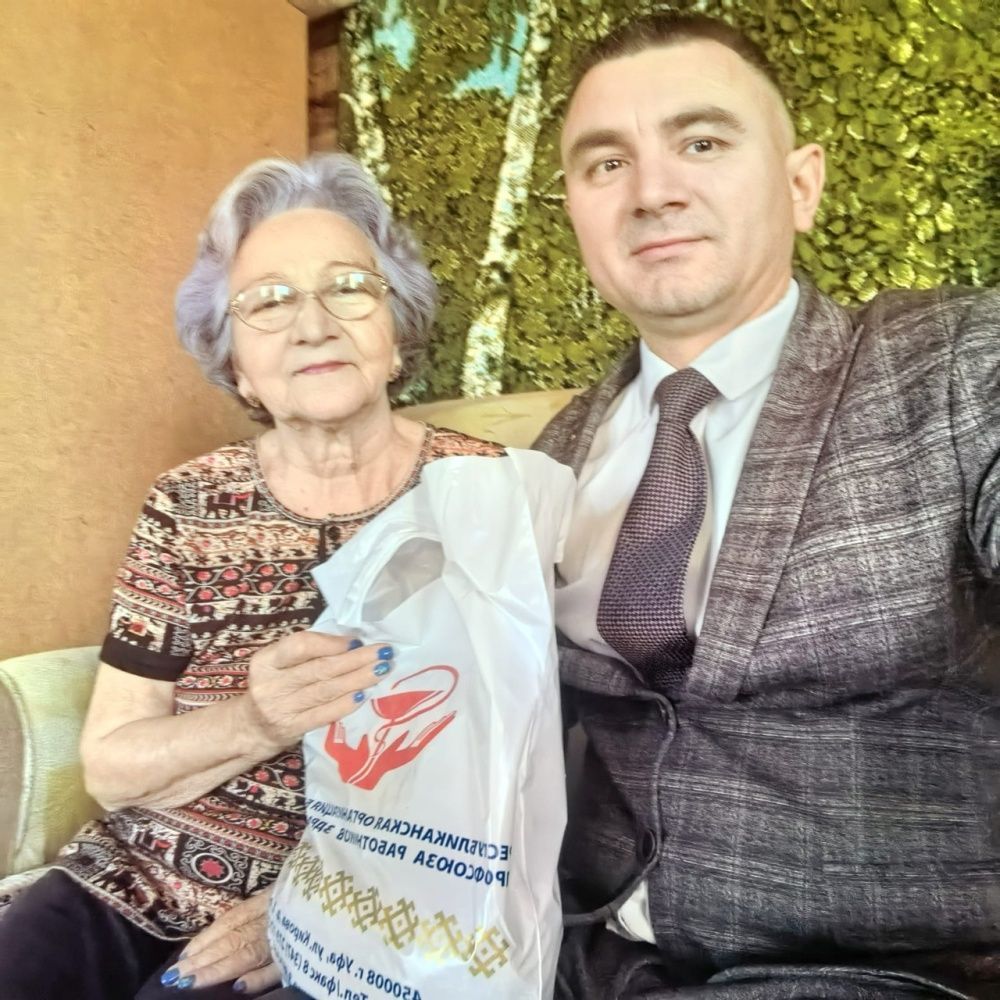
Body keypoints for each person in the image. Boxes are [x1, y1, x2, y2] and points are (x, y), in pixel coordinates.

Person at [533, 12, 1000, 999]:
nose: (653, 192)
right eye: (606, 164)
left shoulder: (959, 368)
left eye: (702, 142)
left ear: (802, 185)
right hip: (575, 954)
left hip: (889, 971)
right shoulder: (548, 461)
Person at [0, 153, 503, 1000]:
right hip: (132, 876)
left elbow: (527, 762)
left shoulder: (487, 494)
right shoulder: (188, 503)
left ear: (396, 336)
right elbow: (112, 766)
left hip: (366, 893)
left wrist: (324, 903)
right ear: (238, 365)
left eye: (349, 287)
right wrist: (259, 718)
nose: (313, 324)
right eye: (268, 301)